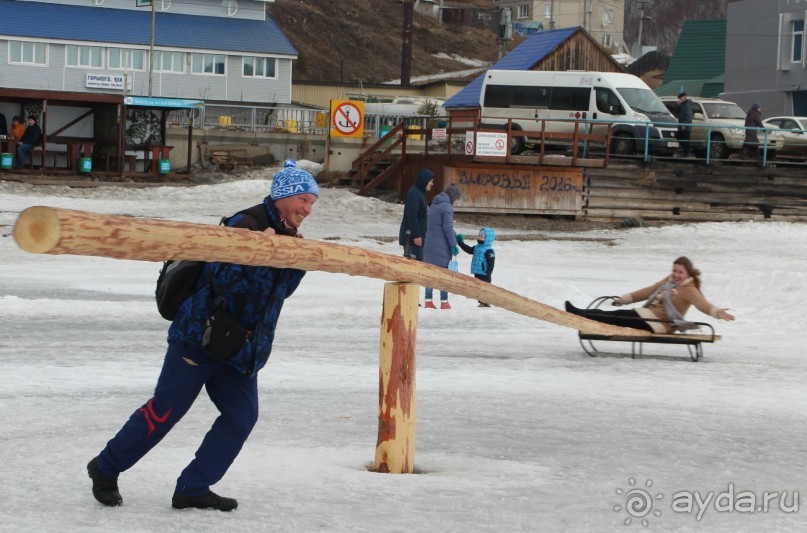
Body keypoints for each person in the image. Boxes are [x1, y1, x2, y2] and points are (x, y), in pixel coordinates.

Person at [87, 160, 319, 512]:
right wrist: (258, 253)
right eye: (303, 200)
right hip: (200, 335)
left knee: (241, 418)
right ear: (284, 196)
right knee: (165, 411)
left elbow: (278, 293)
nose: (307, 209)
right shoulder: (246, 224)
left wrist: (294, 261)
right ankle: (105, 467)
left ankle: (193, 487)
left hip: (240, 348)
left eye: (312, 203)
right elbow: (222, 280)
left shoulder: (287, 236)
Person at [565, 256, 735, 333]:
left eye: (680, 272)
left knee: (617, 317)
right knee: (618, 315)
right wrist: (625, 299)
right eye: (674, 271)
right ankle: (582, 314)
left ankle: (581, 315)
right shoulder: (670, 282)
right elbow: (650, 290)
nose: (676, 275)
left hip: (661, 324)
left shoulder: (689, 289)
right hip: (650, 317)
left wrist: (717, 312)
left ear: (688, 274)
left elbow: (701, 303)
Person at [423, 183, 461, 309]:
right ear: (453, 197)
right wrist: (453, 245)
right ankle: (444, 302)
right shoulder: (447, 208)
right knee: (444, 273)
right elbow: (448, 228)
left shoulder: (434, 204)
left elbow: (439, 226)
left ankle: (428, 300)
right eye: (456, 200)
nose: (456, 202)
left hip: (429, 245)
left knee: (430, 273)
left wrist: (456, 237)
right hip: (442, 247)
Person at [399, 168, 434, 260]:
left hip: (417, 238)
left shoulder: (420, 193)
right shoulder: (414, 194)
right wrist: (416, 235)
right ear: (424, 180)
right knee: (413, 268)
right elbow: (411, 216)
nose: (432, 184)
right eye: (430, 181)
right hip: (411, 238)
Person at [457, 227, 496, 307]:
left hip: (485, 273)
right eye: (479, 235)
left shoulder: (489, 250)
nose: (479, 237)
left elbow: (491, 262)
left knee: (485, 287)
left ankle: (485, 302)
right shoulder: (477, 247)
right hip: (477, 271)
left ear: (487, 239)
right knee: (478, 287)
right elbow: (468, 250)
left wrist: (489, 271)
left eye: (482, 236)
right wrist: (461, 243)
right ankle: (482, 302)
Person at [676, 92, 693, 157]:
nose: (679, 100)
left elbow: (688, 116)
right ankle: (686, 151)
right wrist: (678, 105)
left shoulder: (687, 105)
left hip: (685, 126)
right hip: (682, 125)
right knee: (679, 137)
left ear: (684, 98)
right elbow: (677, 112)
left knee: (685, 139)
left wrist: (684, 124)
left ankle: (686, 152)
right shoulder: (683, 104)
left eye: (680, 99)